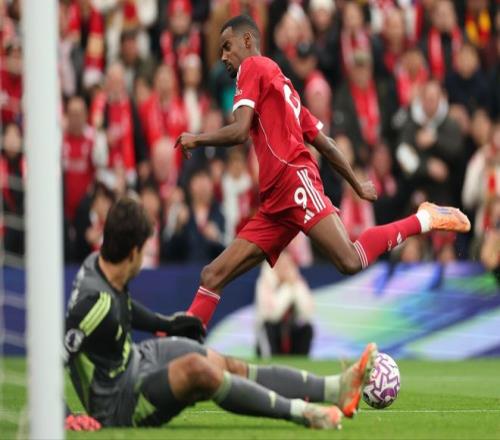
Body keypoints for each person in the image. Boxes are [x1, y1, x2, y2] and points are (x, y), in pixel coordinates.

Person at [175, 15, 471, 334]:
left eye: (227, 46)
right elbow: (325, 142)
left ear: (247, 41)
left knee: (350, 260)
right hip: (275, 203)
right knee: (212, 275)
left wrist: (197, 138)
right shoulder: (283, 87)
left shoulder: (253, 67)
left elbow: (240, 130)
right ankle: (180, 349)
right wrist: (356, 183)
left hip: (294, 182)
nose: (223, 56)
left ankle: (424, 219)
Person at [65, 197, 378, 431]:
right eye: (144, 249)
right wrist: (65, 417)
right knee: (197, 370)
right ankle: (302, 413)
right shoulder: (92, 304)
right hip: (119, 403)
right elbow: (54, 360)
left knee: (226, 363)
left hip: (134, 360)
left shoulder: (100, 263)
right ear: (133, 251)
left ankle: (336, 388)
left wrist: (168, 323)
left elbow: (123, 307)